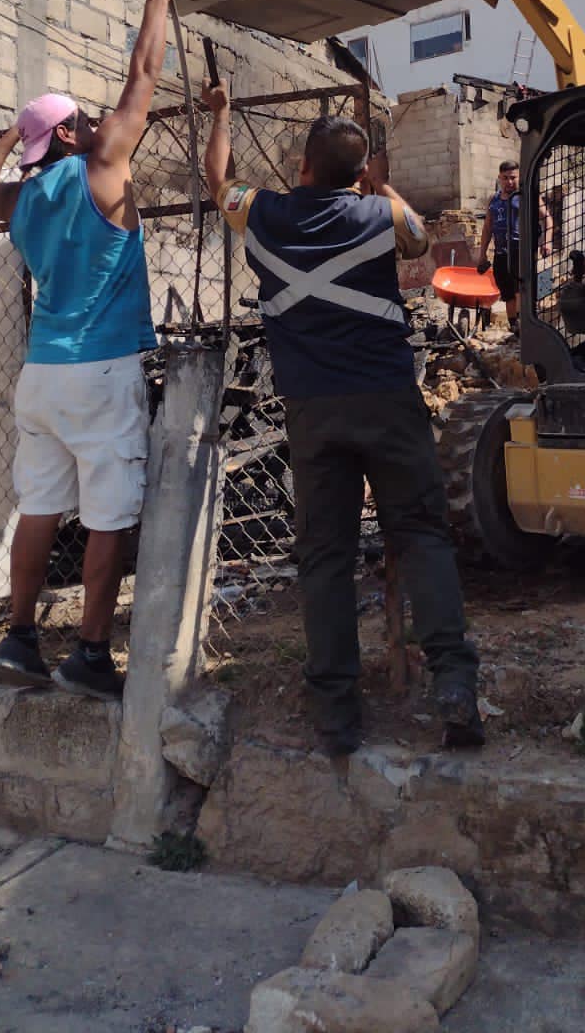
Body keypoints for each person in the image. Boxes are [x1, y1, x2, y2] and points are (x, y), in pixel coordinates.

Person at [201, 79, 481, 757]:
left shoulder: (260, 213)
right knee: (420, 536)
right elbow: (419, 240)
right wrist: (378, 188)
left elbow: (218, 181)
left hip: (312, 411)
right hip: (387, 400)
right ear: (359, 173)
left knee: (323, 556)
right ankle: (454, 689)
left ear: (301, 166)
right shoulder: (380, 216)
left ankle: (335, 714)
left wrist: (223, 113)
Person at [0, 0, 176, 699]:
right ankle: (88, 652)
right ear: (70, 134)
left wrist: (15, 135)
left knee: (40, 508)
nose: (93, 122)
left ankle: (20, 640)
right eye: (78, 120)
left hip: (42, 376)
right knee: (109, 515)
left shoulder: (20, 201)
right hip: (100, 368)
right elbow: (144, 75)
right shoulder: (100, 167)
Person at [476, 161, 552, 333]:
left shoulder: (527, 195)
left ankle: (526, 324)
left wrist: (547, 241)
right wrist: (482, 255)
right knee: (506, 290)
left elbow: (547, 218)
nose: (509, 182)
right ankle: (514, 327)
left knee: (522, 287)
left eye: (513, 178)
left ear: (519, 177)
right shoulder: (494, 199)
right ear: (499, 178)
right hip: (502, 252)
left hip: (522, 251)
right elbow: (488, 227)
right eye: (505, 178)